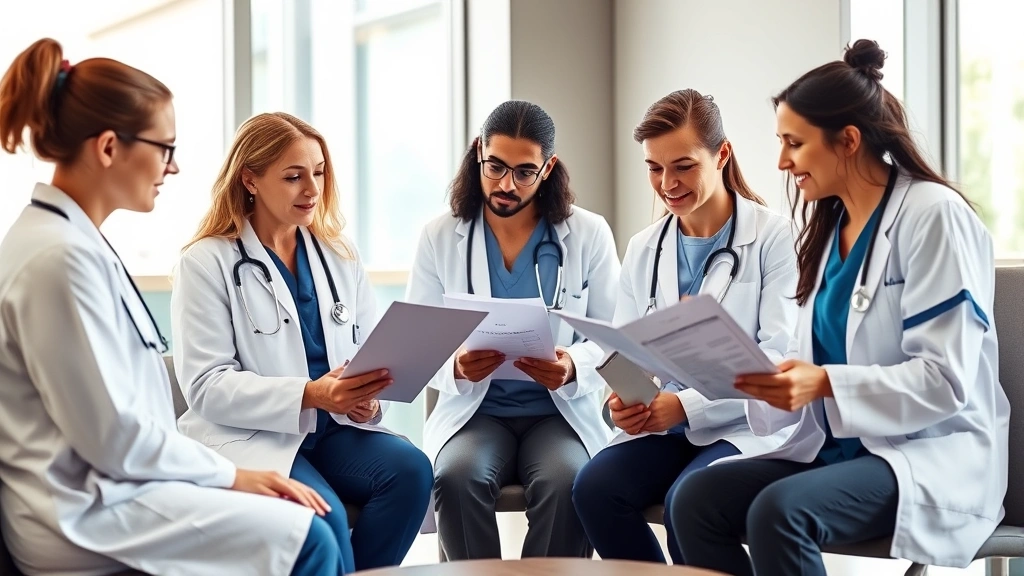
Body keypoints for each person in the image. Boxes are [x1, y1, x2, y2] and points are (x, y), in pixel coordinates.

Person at [0, 38, 344, 576]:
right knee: (309, 539)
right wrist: (232, 477)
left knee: (325, 516)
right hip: (86, 510)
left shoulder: (72, 242)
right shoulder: (58, 259)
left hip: (118, 484)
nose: (174, 167)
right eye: (165, 148)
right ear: (109, 147)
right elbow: (115, 437)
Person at [671, 39, 1009, 576]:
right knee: (695, 501)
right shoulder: (831, 228)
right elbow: (810, 367)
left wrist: (824, 382)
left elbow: (945, 381)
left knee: (780, 513)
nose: (781, 161)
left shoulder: (934, 216)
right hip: (837, 448)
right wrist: (745, 371)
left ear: (848, 140)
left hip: (928, 454)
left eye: (795, 143)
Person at [171, 111, 433, 573]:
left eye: (319, 173)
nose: (312, 189)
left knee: (412, 471)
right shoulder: (206, 262)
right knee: (322, 514)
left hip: (334, 430)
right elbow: (206, 386)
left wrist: (367, 400)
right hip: (253, 437)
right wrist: (312, 394)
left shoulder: (338, 254)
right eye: (293, 177)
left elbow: (369, 352)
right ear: (249, 179)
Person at [571, 88, 799, 564]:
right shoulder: (644, 247)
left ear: (722, 155)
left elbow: (779, 358)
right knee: (593, 489)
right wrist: (624, 402)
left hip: (744, 424)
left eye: (683, 166)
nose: (667, 183)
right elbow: (624, 349)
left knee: (686, 504)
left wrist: (685, 406)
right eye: (654, 168)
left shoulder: (774, 239)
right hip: (663, 427)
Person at [405, 100, 620, 560]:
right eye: (496, 166)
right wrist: (456, 367)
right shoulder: (439, 236)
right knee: (456, 478)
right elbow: (416, 341)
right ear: (478, 153)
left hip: (558, 414)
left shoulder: (589, 234)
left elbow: (611, 335)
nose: (506, 184)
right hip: (476, 413)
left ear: (548, 168)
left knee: (568, 482)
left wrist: (573, 366)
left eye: (525, 172)